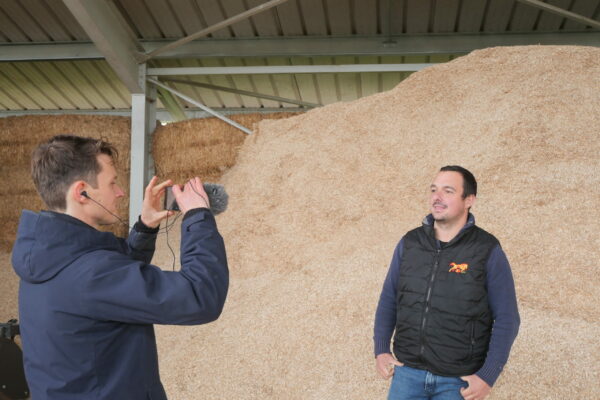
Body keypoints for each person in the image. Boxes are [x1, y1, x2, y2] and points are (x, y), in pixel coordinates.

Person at [11, 135, 229, 400]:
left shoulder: (47, 257)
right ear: (82, 192)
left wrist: (145, 228)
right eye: (112, 182)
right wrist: (197, 216)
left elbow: (111, 284)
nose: (120, 192)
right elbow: (199, 296)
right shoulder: (90, 273)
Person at [373, 166, 519, 400]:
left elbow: (507, 317)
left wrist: (487, 376)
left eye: (448, 191)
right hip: (407, 373)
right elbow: (389, 298)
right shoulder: (410, 243)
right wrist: (381, 349)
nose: (437, 197)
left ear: (469, 199)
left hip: (458, 381)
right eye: (433, 189)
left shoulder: (486, 249)